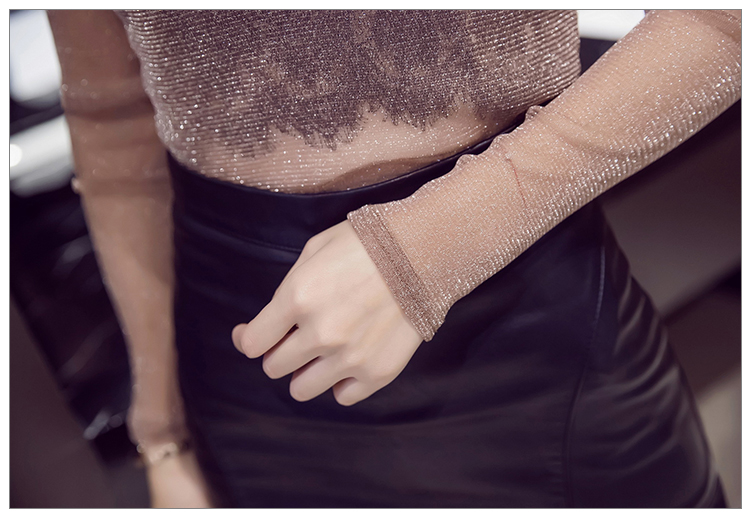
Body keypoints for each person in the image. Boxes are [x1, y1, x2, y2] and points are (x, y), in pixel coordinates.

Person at [47, 10, 740, 508]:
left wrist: (421, 253)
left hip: (532, 332)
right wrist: (164, 435)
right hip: (252, 365)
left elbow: (719, 20)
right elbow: (114, 119)